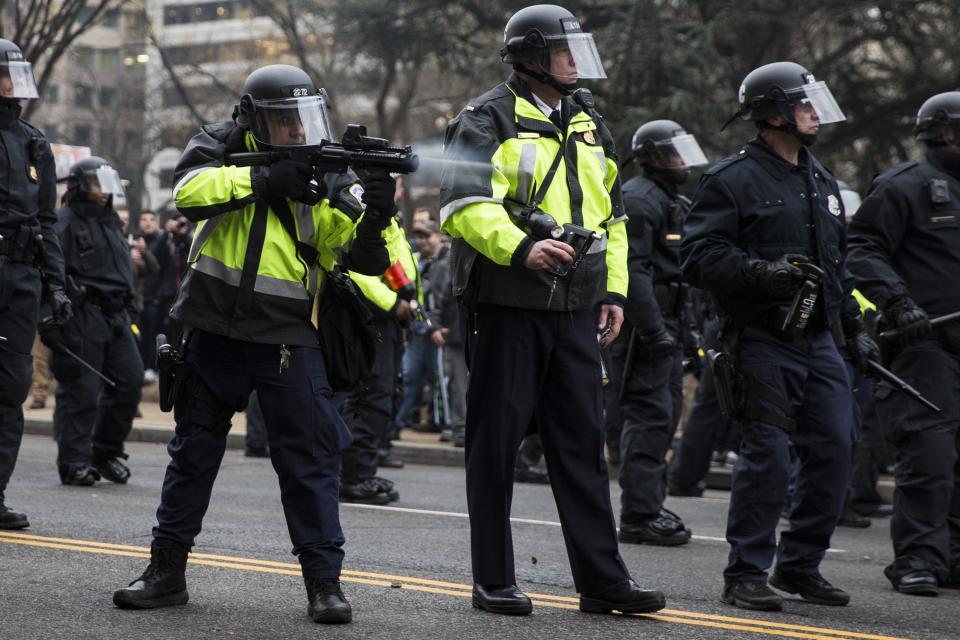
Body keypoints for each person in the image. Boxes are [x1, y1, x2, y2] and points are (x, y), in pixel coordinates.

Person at [111, 64, 394, 624]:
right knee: (192, 455)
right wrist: (260, 181)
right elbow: (189, 192)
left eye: (305, 120)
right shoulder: (218, 143)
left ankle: (325, 585)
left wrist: (377, 211)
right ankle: (166, 572)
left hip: (289, 335)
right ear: (252, 118)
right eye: (284, 122)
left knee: (309, 462)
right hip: (211, 329)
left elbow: (364, 259)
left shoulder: (331, 168)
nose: (297, 132)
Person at [440, 4, 665, 617]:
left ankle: (603, 581)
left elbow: (613, 219)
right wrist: (523, 247)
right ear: (532, 57)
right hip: (507, 300)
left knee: (583, 447)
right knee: (495, 445)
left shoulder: (589, 119)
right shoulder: (485, 118)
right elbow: (462, 206)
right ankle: (494, 578)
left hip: (576, 306)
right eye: (566, 51)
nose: (576, 61)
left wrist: (613, 292)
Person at [681, 61, 878, 611]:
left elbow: (836, 266)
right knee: (766, 455)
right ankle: (745, 572)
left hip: (820, 340)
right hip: (761, 338)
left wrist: (854, 329)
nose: (816, 114)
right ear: (773, 112)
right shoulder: (732, 178)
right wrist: (760, 272)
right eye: (805, 104)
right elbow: (698, 257)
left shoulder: (820, 177)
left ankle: (799, 566)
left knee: (837, 448)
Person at [846, 91, 960, 597]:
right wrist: (898, 302)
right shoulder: (903, 187)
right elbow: (862, 250)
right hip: (924, 344)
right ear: (943, 133)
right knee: (930, 456)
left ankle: (953, 559)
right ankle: (917, 560)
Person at [614, 119, 709, 546]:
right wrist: (654, 332)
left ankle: (650, 503)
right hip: (642, 331)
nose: (683, 161)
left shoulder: (674, 202)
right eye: (674, 153)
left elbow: (678, 279)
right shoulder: (638, 198)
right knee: (650, 418)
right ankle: (638, 515)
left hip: (666, 325)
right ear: (652, 157)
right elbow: (634, 273)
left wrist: (688, 336)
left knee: (665, 416)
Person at [0, 39, 69, 529]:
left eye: (16, 76)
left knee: (10, 386)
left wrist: (57, 285)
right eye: (5, 76)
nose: (13, 85)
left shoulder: (33, 141)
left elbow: (47, 220)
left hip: (21, 278)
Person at [41, 157, 143, 486]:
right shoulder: (63, 223)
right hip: (82, 314)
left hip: (117, 315)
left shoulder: (112, 220)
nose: (105, 191)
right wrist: (51, 317)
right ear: (79, 185)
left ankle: (105, 451)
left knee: (130, 382)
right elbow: (48, 273)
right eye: (98, 183)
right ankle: (73, 462)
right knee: (80, 392)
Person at [340, 208, 418, 505]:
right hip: (374, 315)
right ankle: (354, 476)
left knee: (378, 396)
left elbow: (391, 264)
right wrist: (393, 303)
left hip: (388, 316)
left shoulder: (386, 215)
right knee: (371, 397)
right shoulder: (365, 209)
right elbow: (356, 269)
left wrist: (406, 300)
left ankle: (359, 471)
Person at [392, 219, 442, 435]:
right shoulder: (417, 261)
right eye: (420, 237)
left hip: (436, 330)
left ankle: (439, 421)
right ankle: (396, 424)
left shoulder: (447, 261)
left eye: (427, 236)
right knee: (410, 376)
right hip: (417, 329)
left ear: (438, 236)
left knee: (436, 378)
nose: (423, 241)